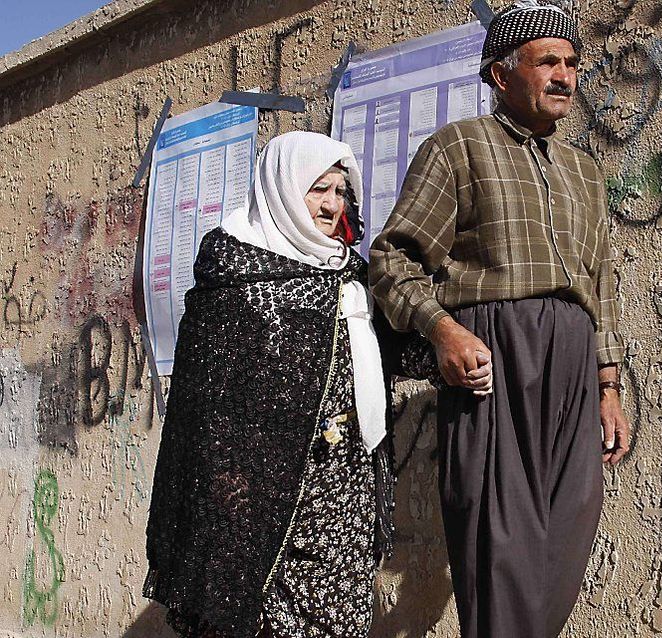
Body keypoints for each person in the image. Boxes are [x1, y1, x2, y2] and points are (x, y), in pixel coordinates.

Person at [369, 2, 631, 636]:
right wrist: (443, 329)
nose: (565, 76)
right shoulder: (457, 149)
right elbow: (390, 258)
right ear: (500, 74)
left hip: (571, 359)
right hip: (494, 358)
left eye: (571, 64)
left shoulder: (585, 173)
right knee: (499, 538)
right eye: (547, 62)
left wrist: (609, 386)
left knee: (568, 529)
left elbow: (600, 285)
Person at [144, 132, 464, 638]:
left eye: (341, 191)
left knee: (337, 617)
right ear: (284, 189)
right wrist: (228, 488)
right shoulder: (234, 278)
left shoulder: (353, 275)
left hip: (344, 485)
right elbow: (203, 408)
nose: (332, 203)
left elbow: (396, 350)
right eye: (319, 189)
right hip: (261, 493)